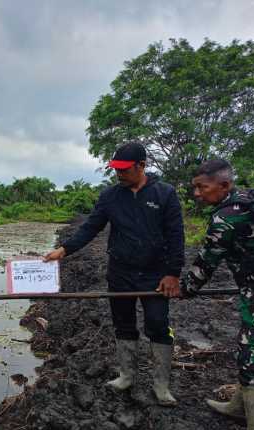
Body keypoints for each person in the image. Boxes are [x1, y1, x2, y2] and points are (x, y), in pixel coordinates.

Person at [44, 142, 184, 406]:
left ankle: (161, 385)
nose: (119, 175)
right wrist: (64, 250)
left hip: (155, 274)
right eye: (116, 170)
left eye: (125, 170)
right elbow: (91, 227)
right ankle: (127, 376)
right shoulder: (110, 196)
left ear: (141, 165)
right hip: (120, 271)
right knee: (123, 322)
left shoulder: (165, 194)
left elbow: (176, 236)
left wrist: (173, 273)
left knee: (157, 324)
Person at [181, 159, 254, 430]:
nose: (196, 193)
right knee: (247, 345)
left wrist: (184, 290)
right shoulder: (249, 201)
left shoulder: (226, 218)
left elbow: (206, 262)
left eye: (201, 187)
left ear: (225, 186)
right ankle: (239, 405)